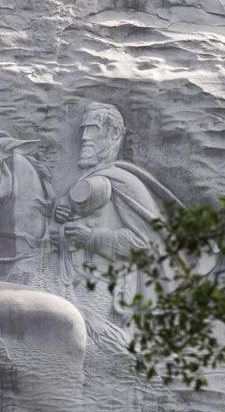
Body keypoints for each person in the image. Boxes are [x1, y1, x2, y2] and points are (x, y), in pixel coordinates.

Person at [51, 102, 181, 342]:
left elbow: (144, 246)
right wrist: (59, 220)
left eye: (93, 129)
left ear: (112, 134)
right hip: (68, 281)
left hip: (104, 289)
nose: (85, 138)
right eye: (83, 130)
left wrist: (90, 238)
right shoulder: (89, 179)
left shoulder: (125, 183)